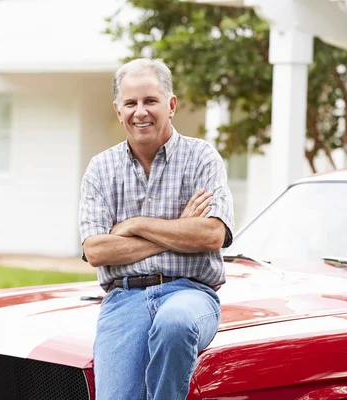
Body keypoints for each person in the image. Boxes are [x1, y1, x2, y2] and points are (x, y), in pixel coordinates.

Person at [78, 58, 234, 400]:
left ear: (171, 105)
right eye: (131, 103)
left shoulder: (202, 158)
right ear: (119, 111)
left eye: (150, 101)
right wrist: (180, 230)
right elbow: (96, 251)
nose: (140, 112)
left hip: (190, 293)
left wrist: (134, 225)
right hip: (124, 297)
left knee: (175, 323)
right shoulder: (101, 169)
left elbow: (211, 236)